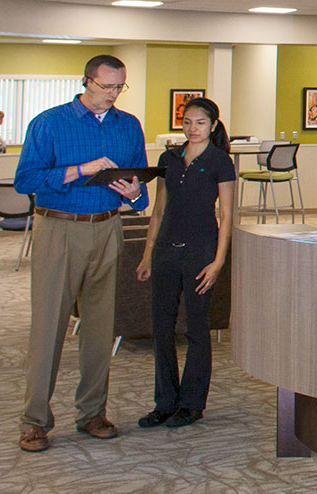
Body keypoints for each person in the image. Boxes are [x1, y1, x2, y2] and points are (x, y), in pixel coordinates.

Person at [13, 54, 150, 453]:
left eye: (119, 88)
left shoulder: (129, 126)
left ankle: (92, 412)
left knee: (100, 327)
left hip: (108, 227)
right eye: (105, 87)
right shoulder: (50, 122)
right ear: (86, 81)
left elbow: (139, 182)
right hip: (59, 228)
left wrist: (135, 193)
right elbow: (26, 180)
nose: (112, 95)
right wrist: (79, 170)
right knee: (49, 326)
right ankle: (35, 420)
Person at [134, 97, 234, 430]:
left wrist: (218, 261)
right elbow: (159, 210)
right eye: (187, 122)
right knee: (161, 328)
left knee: (195, 328)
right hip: (165, 250)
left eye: (200, 123)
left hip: (200, 251)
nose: (193, 128)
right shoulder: (168, 159)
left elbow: (228, 215)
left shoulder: (220, 161)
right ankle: (165, 402)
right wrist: (148, 253)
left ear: (213, 126)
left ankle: (192, 404)